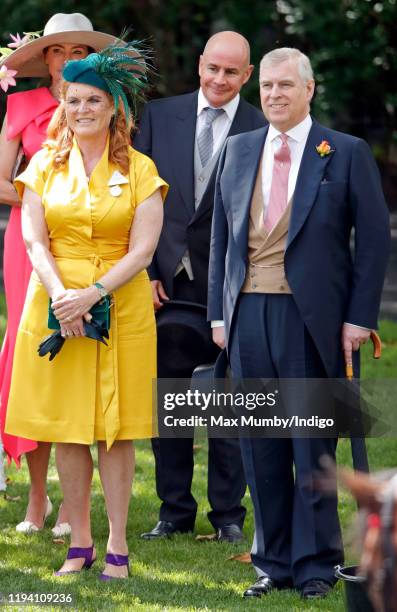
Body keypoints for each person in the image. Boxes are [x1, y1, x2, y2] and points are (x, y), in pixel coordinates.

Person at [208, 48, 390, 598]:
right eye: (266, 86)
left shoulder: (345, 152)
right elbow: (221, 235)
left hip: (311, 320)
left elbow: (375, 241)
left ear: (309, 89)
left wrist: (359, 318)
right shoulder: (238, 150)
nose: (274, 95)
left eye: (286, 85)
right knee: (259, 443)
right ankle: (273, 562)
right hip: (246, 316)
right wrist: (220, 313)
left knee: (310, 441)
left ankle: (315, 564)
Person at [5, 42, 167, 578]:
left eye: (93, 100)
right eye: (73, 101)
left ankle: (118, 544)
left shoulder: (142, 169)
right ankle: (80, 541)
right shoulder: (44, 167)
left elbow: (143, 251)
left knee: (115, 430)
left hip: (118, 303)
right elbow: (34, 241)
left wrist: (93, 293)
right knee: (68, 427)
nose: (81, 110)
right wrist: (60, 296)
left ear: (114, 107)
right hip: (55, 300)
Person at [135, 31, 267, 541]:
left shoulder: (262, 125)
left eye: (231, 72)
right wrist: (144, 272)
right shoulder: (157, 116)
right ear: (199, 64)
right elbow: (134, 199)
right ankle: (173, 511)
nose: (219, 79)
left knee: (227, 400)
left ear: (247, 76)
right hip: (162, 283)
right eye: (213, 68)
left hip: (231, 287)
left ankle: (229, 516)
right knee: (167, 401)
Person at [0, 13, 118, 536]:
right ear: (43, 58)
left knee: (81, 365)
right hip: (28, 247)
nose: (67, 60)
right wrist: (42, 205)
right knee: (35, 365)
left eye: (77, 51)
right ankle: (37, 500)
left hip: (91, 244)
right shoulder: (20, 106)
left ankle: (75, 507)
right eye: (56, 51)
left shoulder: (109, 110)